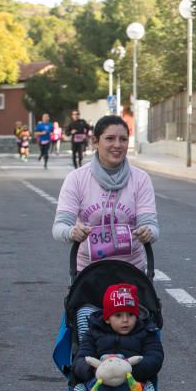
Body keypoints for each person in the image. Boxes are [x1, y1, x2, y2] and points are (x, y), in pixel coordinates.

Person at [52, 115, 159, 273]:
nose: (117, 145)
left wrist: (147, 232)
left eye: (123, 139)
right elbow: (59, 227)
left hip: (132, 271)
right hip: (88, 272)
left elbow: (152, 227)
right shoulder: (76, 178)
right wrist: (72, 232)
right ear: (95, 142)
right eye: (109, 138)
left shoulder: (140, 179)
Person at [73, 283, 164, 391]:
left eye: (130, 315)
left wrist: (129, 371)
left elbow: (155, 358)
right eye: (118, 315)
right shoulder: (94, 333)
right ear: (107, 318)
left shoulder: (145, 332)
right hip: (99, 378)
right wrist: (93, 371)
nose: (125, 320)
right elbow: (81, 357)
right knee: (96, 389)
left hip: (131, 380)